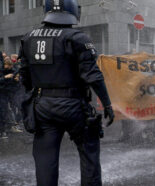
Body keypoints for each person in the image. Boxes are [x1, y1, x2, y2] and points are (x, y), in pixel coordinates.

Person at [19, 0, 115, 185]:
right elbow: (93, 76)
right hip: (74, 106)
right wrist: (107, 104)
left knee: (45, 161)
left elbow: (24, 76)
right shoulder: (77, 38)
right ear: (73, 12)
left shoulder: (28, 38)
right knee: (89, 155)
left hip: (42, 106)